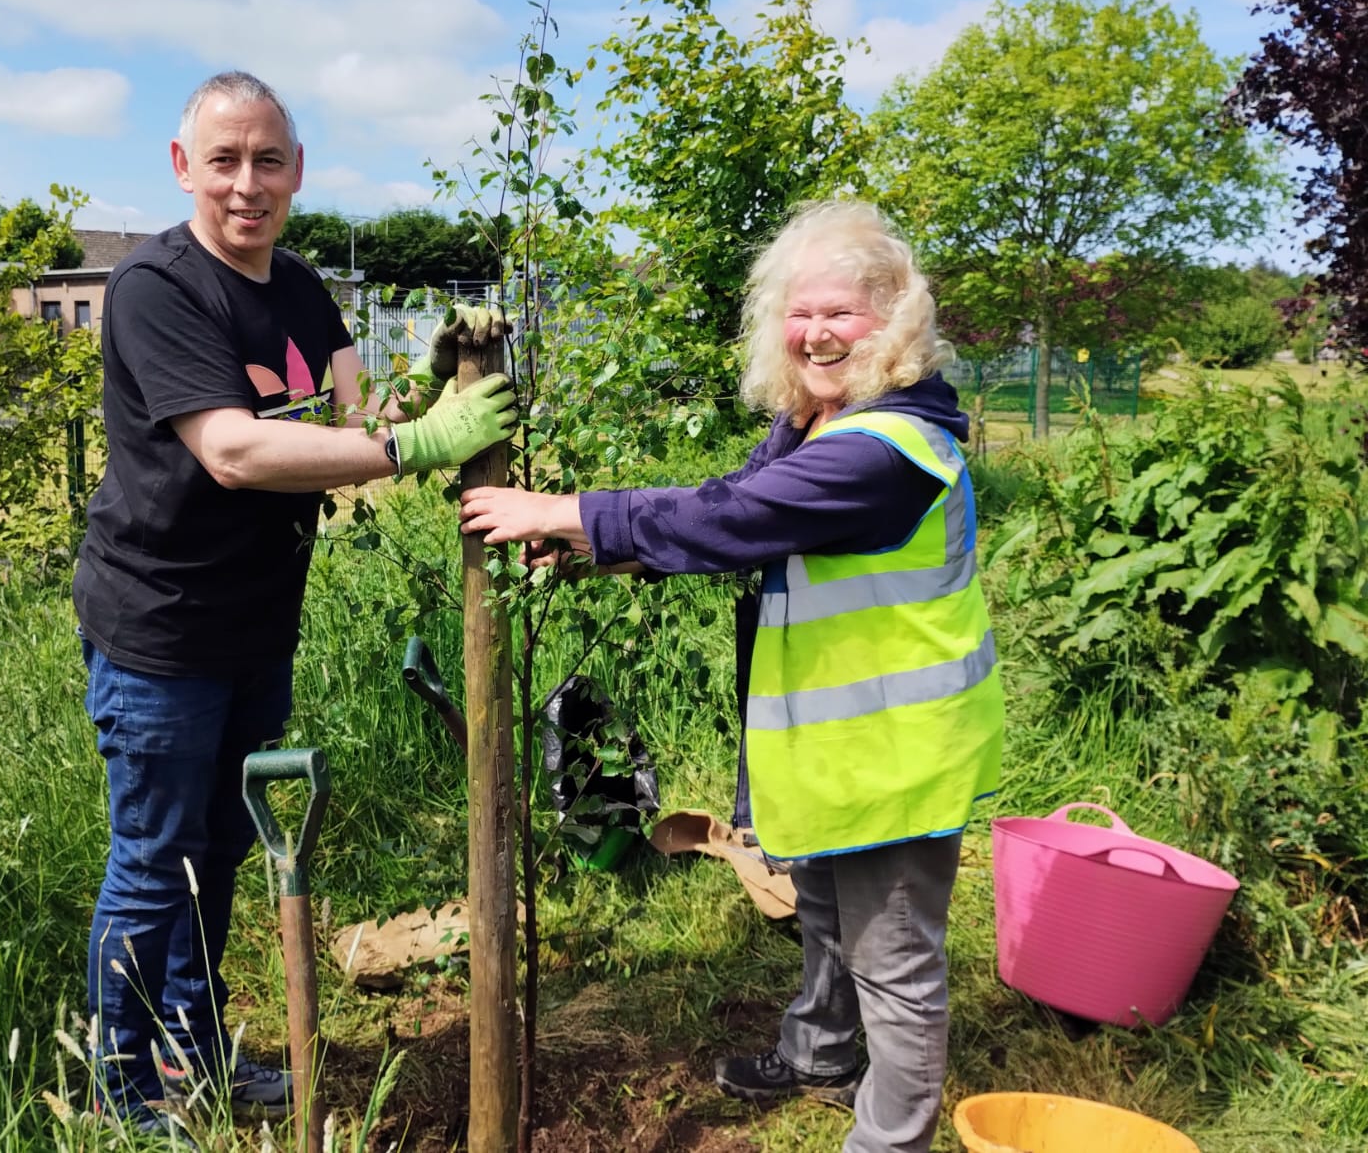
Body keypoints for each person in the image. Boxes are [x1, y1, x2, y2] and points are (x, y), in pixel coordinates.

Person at [458, 200, 1004, 1153]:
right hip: (844, 750)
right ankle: (822, 1055)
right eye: (801, 314)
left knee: (897, 964)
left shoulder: (889, 450)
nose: (817, 332)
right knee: (830, 918)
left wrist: (565, 510)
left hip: (899, 757)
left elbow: (735, 516)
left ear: (897, 324)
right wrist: (586, 552)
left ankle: (890, 1139)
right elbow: (731, 519)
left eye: (843, 314)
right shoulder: (825, 425)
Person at [73, 70, 516, 1135]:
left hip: (256, 619)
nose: (246, 183)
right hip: (159, 626)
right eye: (222, 160)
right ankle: (119, 1085)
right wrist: (417, 444)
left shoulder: (304, 288)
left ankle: (194, 1045)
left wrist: (442, 374)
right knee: (155, 855)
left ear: (297, 172)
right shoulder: (156, 288)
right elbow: (232, 449)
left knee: (221, 846)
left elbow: (360, 415)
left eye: (267, 159)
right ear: (184, 168)